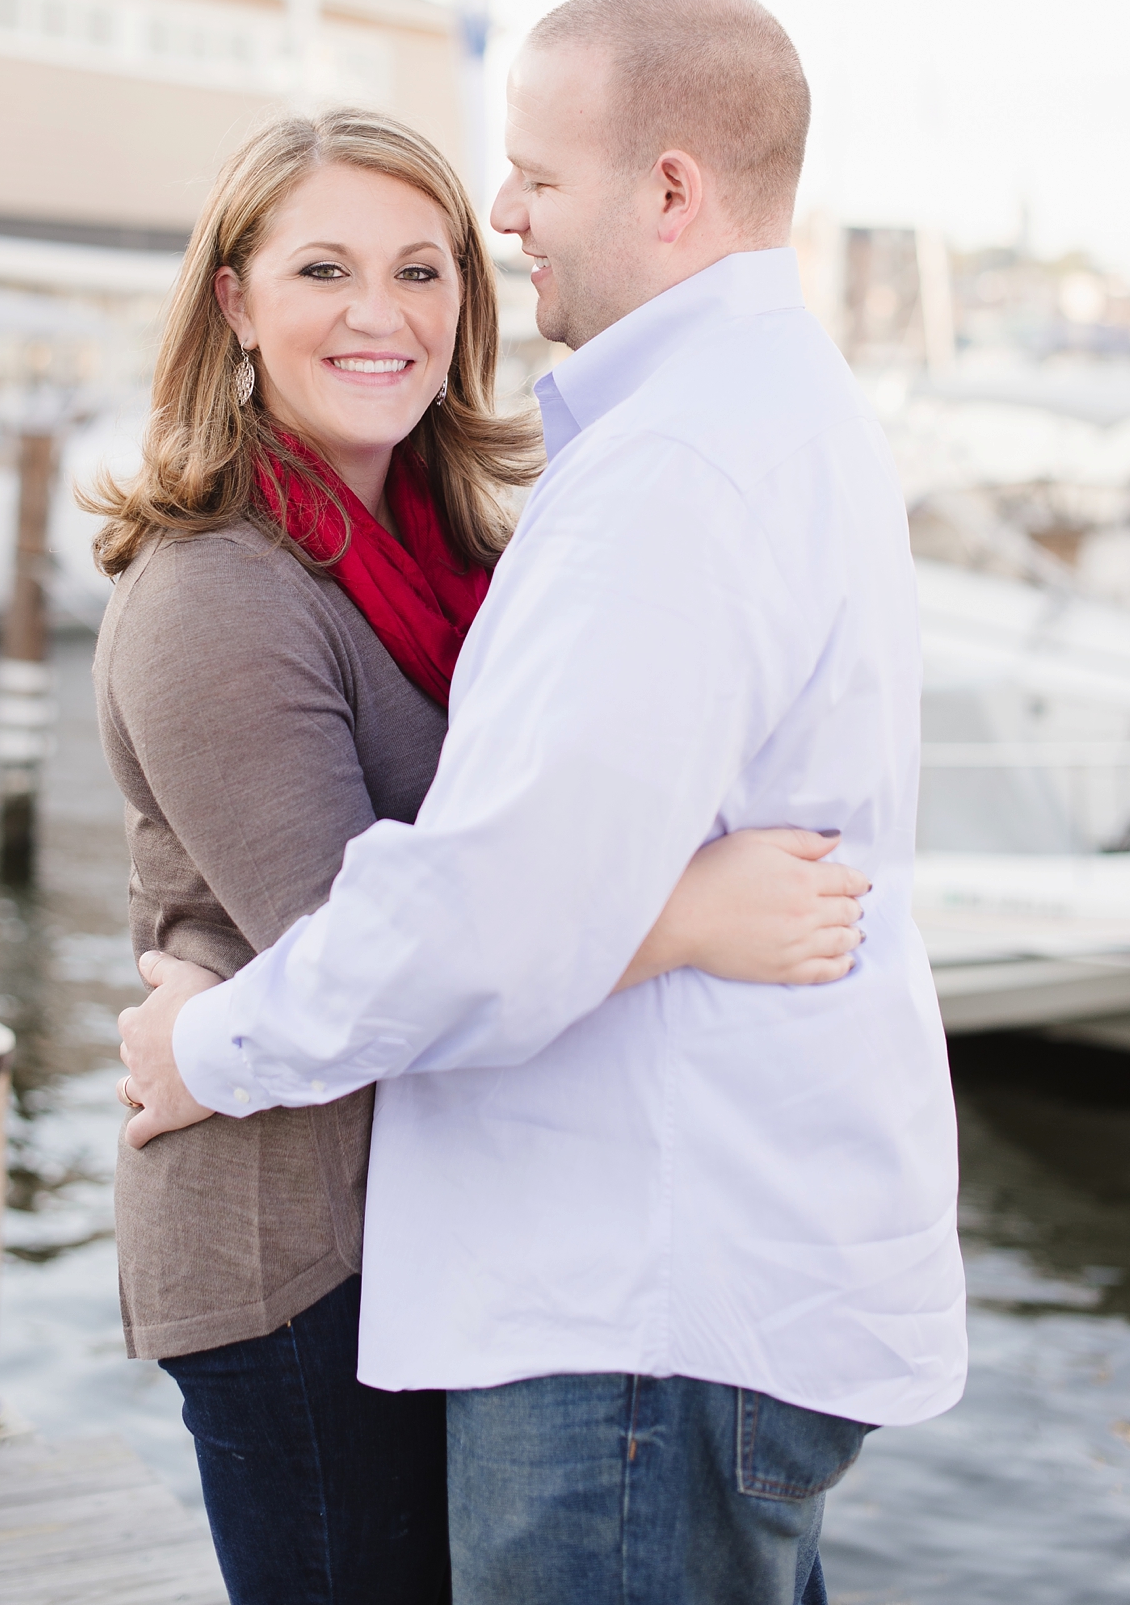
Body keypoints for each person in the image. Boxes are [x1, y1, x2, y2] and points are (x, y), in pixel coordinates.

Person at [88, 103, 869, 1605]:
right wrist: (686, 915)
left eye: (423, 269)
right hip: (292, 1251)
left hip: (438, 1227)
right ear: (234, 302)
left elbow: (514, 858)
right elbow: (351, 954)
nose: (382, 314)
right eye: (322, 270)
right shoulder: (218, 594)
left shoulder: (466, 552)